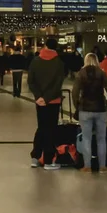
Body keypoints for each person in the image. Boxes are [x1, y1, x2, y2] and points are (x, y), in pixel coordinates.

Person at [73, 52, 107, 173]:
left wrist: (78, 106)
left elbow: (75, 93)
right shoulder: (102, 74)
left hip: (85, 109)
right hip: (100, 109)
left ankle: (87, 166)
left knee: (86, 138)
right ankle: (103, 166)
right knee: (101, 139)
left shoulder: (81, 74)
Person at [28, 37, 65, 171]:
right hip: (53, 101)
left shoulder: (35, 61)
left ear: (44, 45)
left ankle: (35, 157)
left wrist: (39, 97)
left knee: (41, 127)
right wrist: (48, 98)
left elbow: (31, 81)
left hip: (40, 102)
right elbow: (58, 83)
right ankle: (48, 160)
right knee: (51, 129)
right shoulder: (59, 63)